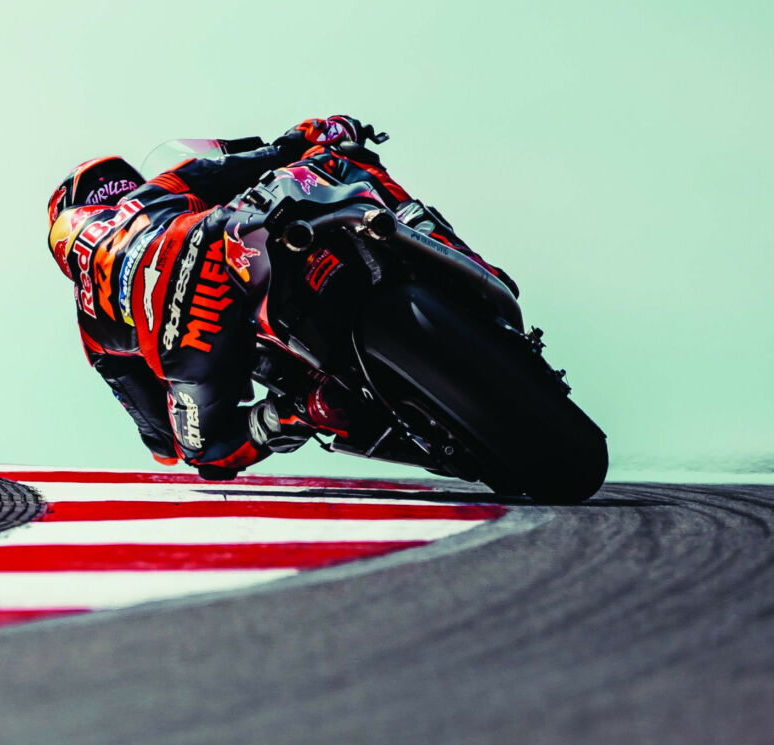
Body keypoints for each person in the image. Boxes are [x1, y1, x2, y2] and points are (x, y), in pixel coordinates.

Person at [47, 114, 485, 477]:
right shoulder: (151, 195)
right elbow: (245, 164)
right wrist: (310, 135)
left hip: (185, 340)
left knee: (207, 453)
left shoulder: (89, 321)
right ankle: (439, 244)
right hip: (210, 240)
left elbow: (161, 442)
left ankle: (301, 409)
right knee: (337, 161)